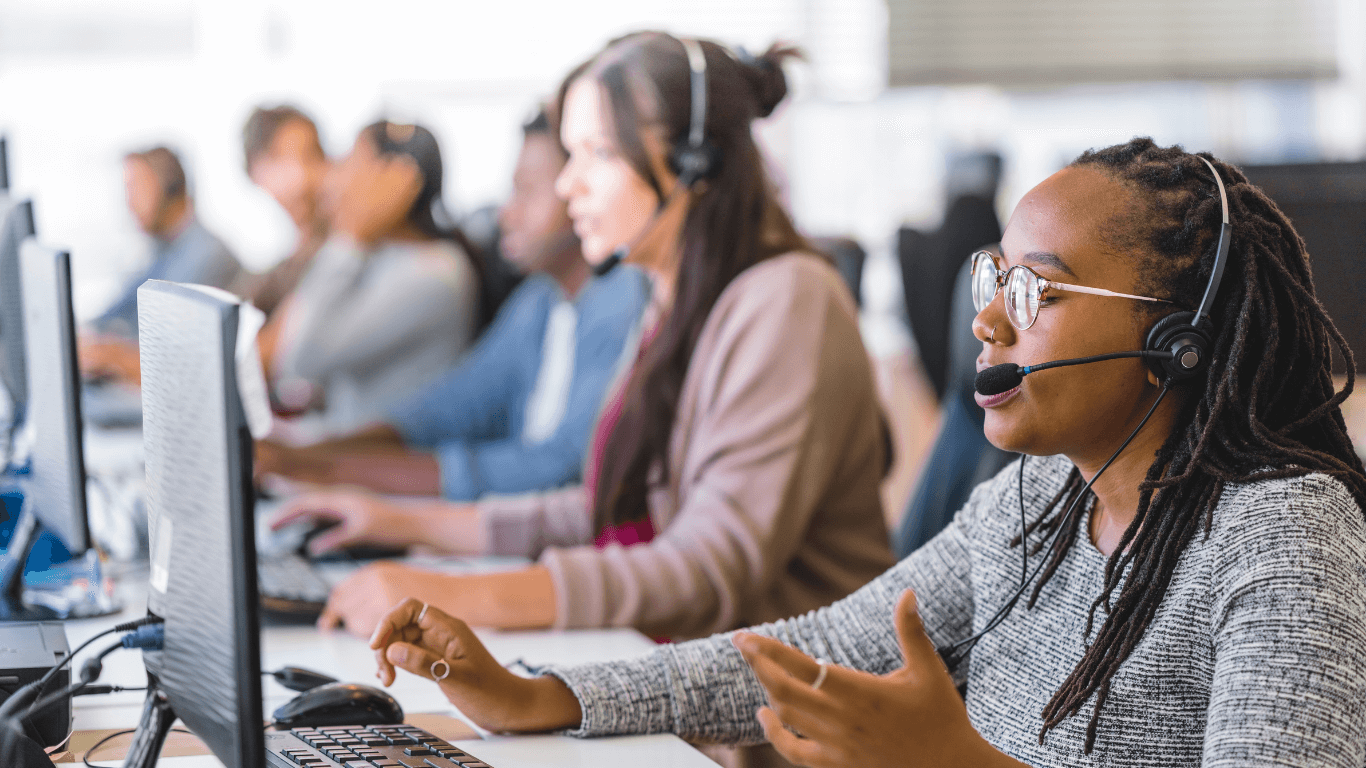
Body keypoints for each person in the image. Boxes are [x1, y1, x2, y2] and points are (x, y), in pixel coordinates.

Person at [367, 139, 1366, 767]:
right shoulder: (1038, 500)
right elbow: (822, 651)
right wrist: (543, 696)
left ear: (1173, 336)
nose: (986, 323)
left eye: (1037, 292)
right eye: (994, 281)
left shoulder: (1280, 536)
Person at [310, 33, 895, 644]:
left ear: (695, 163)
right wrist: (401, 522)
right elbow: (613, 508)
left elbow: (707, 567)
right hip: (681, 682)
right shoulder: (673, 301)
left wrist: (446, 594)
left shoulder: (787, 301)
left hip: (778, 719)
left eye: (598, 154)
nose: (569, 186)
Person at [255, 108, 649, 510]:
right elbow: (448, 408)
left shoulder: (620, 299)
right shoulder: (540, 300)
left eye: (527, 190)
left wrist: (323, 468)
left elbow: (561, 466)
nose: (505, 213)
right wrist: (306, 458)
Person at [269, 121, 480, 437]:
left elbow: (299, 358)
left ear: (394, 179)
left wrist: (350, 237)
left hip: (382, 468)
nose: (332, 179)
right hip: (345, 449)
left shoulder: (435, 273)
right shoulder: (381, 257)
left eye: (351, 162)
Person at [80, 146, 247, 383]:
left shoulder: (208, 255)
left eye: (135, 188)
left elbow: (172, 357)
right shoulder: (161, 250)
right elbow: (113, 314)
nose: (129, 202)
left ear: (169, 189)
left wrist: (111, 354)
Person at [240, 104, 331, 319]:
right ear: (256, 174)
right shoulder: (278, 269)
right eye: (281, 161)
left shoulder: (346, 246)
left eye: (312, 156)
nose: (301, 178)